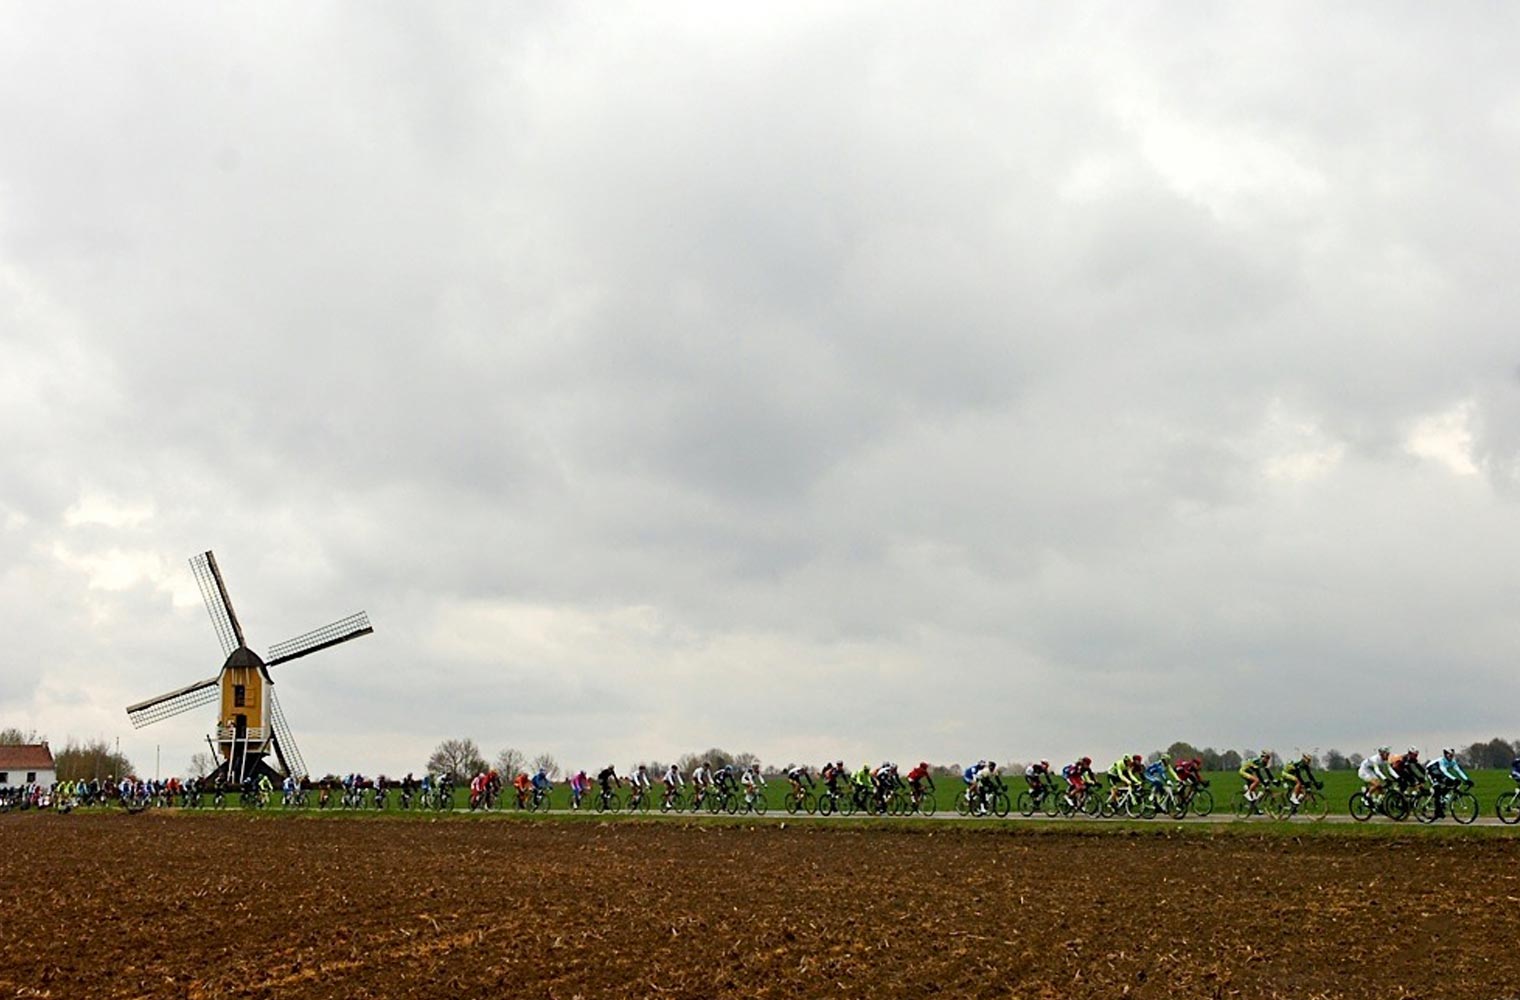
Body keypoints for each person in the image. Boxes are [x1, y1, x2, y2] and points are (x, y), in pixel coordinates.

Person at [1426, 748, 1470, 819]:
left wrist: (1467, 780)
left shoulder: (1453, 761)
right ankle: (1437, 811)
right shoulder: (1441, 761)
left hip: (1439, 773)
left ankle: (1442, 800)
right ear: (1445, 755)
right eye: (1450, 755)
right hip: (1431, 772)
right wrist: (1454, 779)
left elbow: (1458, 770)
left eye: (1452, 755)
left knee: (1450, 784)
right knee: (1437, 788)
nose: (1451, 757)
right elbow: (1444, 772)